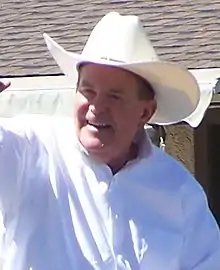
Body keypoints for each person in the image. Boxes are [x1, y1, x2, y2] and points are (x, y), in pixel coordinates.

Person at [0, 11, 219, 270]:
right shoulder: (31, 148)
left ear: (145, 112)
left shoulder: (179, 190)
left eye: (114, 97)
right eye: (87, 91)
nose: (96, 107)